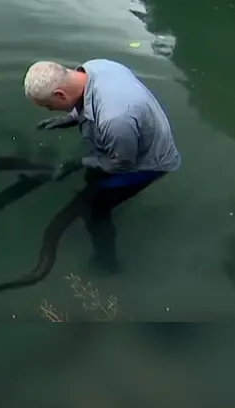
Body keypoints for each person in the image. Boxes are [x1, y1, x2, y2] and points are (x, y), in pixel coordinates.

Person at [23, 59, 180, 273]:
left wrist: (79, 162)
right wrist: (68, 119)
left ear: (60, 94)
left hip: (145, 164)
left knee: (95, 209)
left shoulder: (115, 119)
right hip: (126, 141)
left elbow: (122, 163)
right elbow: (86, 102)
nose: (49, 110)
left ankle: (107, 263)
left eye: (49, 106)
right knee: (96, 181)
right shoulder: (96, 66)